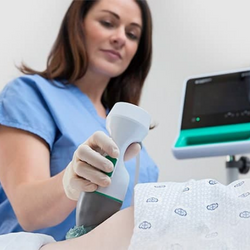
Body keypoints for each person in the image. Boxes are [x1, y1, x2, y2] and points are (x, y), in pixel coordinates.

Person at [0, 0, 158, 241]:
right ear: (77, 25)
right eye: (107, 23)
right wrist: (69, 181)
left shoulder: (125, 125)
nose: (120, 38)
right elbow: (29, 212)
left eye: (132, 34)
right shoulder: (29, 95)